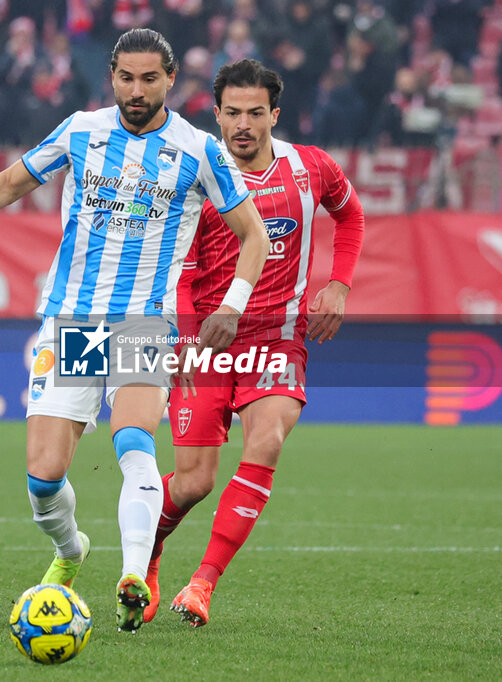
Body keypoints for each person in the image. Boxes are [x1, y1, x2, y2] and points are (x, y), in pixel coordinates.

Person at [0, 28, 270, 633]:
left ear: (170, 80)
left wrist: (231, 306)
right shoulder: (81, 130)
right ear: (111, 76)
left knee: (133, 443)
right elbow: (10, 183)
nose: (137, 90)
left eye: (150, 79)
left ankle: (133, 576)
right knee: (42, 480)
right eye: (126, 78)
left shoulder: (197, 150)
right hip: (71, 321)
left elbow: (254, 237)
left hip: (143, 320)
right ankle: (70, 551)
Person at [143, 58, 365, 628]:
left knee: (266, 440)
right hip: (209, 339)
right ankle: (147, 555)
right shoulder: (192, 180)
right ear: (215, 115)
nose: (244, 124)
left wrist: (338, 283)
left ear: (275, 115)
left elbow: (351, 216)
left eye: (256, 113)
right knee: (193, 481)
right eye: (233, 113)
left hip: (278, 336)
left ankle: (202, 584)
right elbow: (183, 276)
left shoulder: (310, 168)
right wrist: (188, 341)